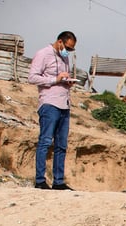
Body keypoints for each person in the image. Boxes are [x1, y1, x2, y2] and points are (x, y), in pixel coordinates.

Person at [27, 31, 78, 190]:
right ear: (60, 42)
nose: (68, 52)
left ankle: (58, 181)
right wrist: (54, 80)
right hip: (49, 103)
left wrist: (67, 82)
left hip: (64, 103)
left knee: (61, 144)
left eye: (71, 50)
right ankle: (40, 180)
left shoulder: (65, 58)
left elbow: (61, 78)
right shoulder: (43, 54)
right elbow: (32, 77)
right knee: (45, 141)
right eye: (67, 48)